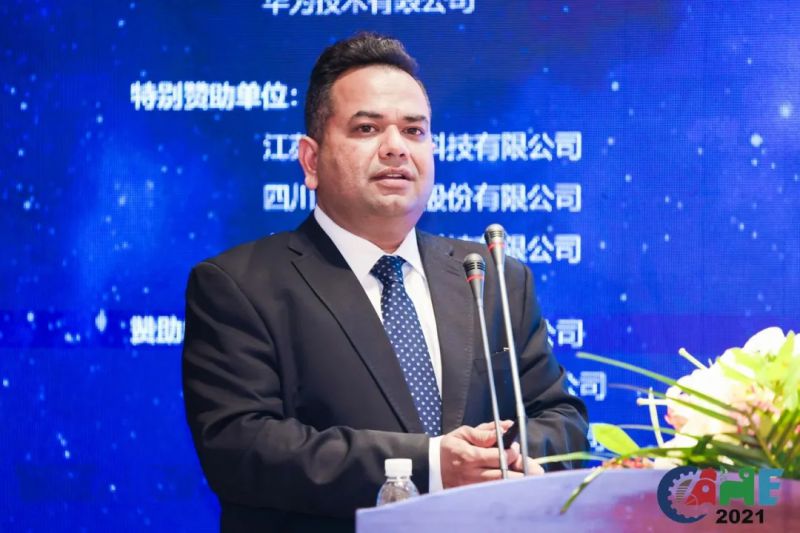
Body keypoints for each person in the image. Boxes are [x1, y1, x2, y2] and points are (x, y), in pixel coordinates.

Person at [182, 32, 588, 532]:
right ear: (310, 160)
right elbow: (242, 447)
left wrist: (499, 458)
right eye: (367, 128)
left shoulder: (492, 275)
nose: (396, 148)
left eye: (414, 131)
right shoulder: (240, 285)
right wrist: (432, 464)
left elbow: (560, 419)